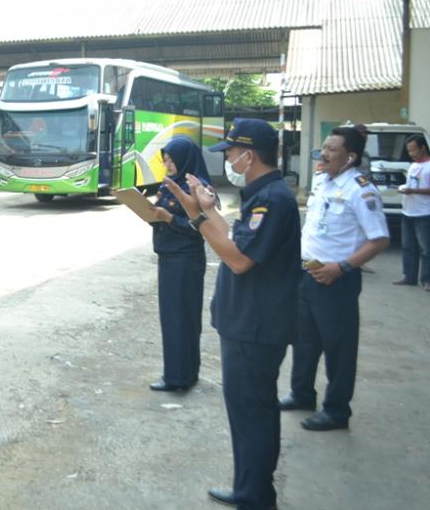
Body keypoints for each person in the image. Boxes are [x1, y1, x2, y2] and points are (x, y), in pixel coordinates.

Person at [164, 118, 299, 510]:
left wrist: (198, 217)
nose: (230, 161)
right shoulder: (264, 195)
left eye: (232, 154)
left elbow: (238, 259)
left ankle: (256, 496)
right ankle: (249, 488)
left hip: (254, 328)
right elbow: (238, 239)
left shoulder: (271, 200)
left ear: (249, 155)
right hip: (249, 324)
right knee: (248, 413)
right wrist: (204, 212)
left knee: (252, 414)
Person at [279, 127, 389, 432]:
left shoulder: (361, 189)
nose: (323, 154)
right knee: (304, 341)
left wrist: (342, 267)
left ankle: (337, 410)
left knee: (339, 348)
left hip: (337, 280)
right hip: (307, 273)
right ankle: (302, 394)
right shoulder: (321, 181)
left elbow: (379, 240)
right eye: (323, 147)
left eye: (331, 149)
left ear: (350, 156)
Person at [148, 136, 210, 392]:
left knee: (181, 320)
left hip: (185, 260)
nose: (168, 164)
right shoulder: (169, 184)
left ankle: (179, 378)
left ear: (185, 159)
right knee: (173, 319)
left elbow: (204, 229)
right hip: (168, 257)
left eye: (172, 159)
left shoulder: (199, 188)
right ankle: (182, 373)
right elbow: (159, 214)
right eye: (166, 159)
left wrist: (170, 219)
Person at [394, 133, 430, 289]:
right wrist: (404, 190)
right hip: (408, 211)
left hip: (424, 213)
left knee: (426, 249)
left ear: (423, 148)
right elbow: (411, 185)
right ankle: (409, 276)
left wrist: (414, 191)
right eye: (409, 151)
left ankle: (427, 279)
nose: (411, 154)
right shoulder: (413, 166)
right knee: (408, 246)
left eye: (413, 150)